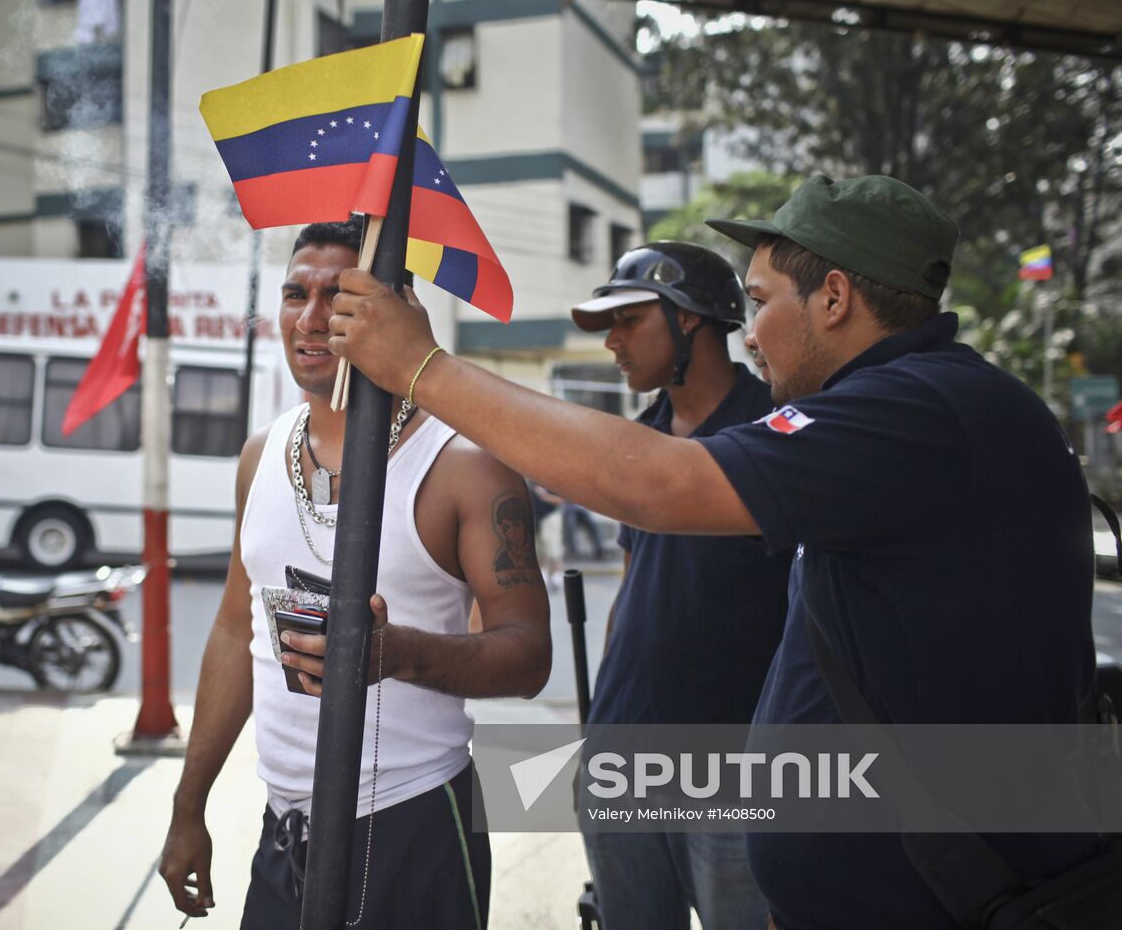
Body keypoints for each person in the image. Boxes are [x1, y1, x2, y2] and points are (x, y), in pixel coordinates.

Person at [326, 174, 1099, 929]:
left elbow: (657, 484)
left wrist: (421, 368)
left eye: (760, 302)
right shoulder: (911, 410)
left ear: (834, 297)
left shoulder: (915, 409)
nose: (751, 329)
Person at [158, 216, 551, 929]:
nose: (310, 319)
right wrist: (190, 805)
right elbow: (232, 632)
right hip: (286, 827)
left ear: (390, 314)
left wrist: (396, 651)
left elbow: (529, 656)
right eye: (293, 293)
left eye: (337, 296)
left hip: (413, 820)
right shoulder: (261, 454)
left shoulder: (466, 466)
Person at [570, 242, 792, 930]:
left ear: (690, 318)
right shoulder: (644, 437)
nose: (612, 340)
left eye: (629, 319)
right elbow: (636, 583)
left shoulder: (777, 432)